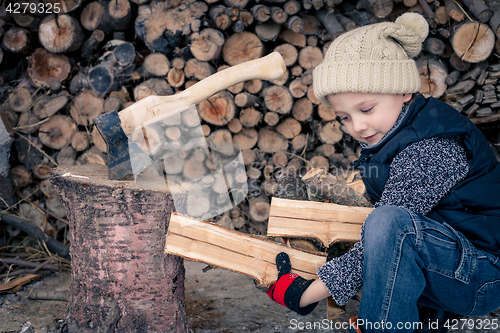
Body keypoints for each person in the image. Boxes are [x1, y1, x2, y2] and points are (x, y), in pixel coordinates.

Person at [265, 12, 500, 333]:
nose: (357, 126)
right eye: (344, 117)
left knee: (388, 223)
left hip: (484, 274)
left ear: (403, 91)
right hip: (452, 260)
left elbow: (390, 236)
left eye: (366, 109)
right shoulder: (396, 137)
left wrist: (308, 292)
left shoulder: (431, 146)